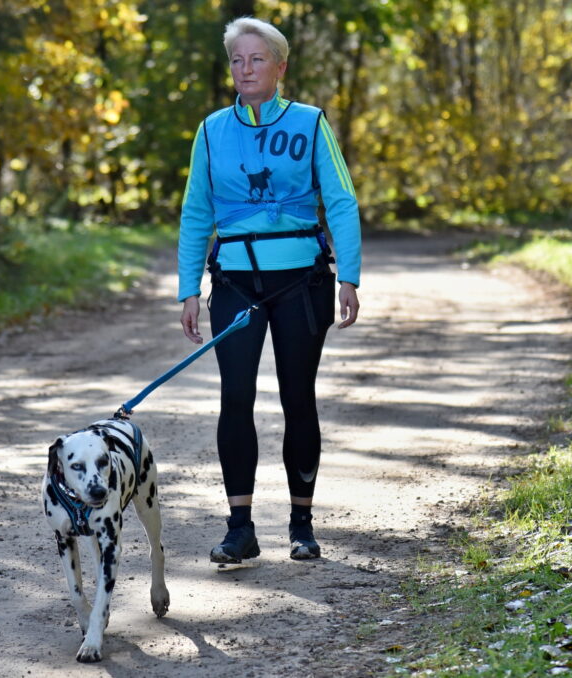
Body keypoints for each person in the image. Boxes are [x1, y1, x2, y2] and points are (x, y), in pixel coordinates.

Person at [177, 16, 361, 563]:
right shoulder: (211, 130)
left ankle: (302, 525)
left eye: (257, 59)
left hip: (302, 281)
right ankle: (240, 528)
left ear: (280, 67)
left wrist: (347, 275)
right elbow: (195, 212)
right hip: (234, 280)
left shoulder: (310, 123)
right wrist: (189, 288)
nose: (245, 69)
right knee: (235, 398)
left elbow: (343, 201)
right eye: (237, 60)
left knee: (296, 397)